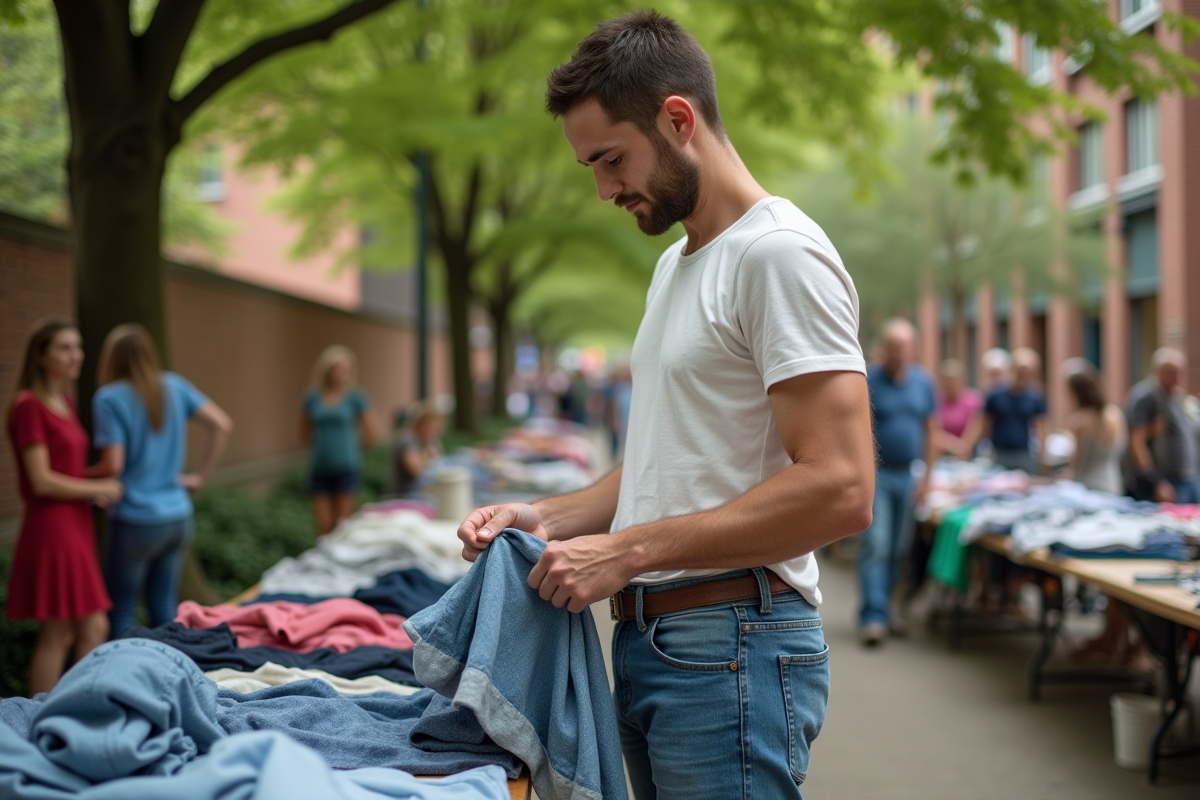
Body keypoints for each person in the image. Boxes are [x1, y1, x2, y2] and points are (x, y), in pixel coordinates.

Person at [457, 12, 874, 798]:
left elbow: (844, 488)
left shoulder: (777, 254)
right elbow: (663, 463)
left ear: (678, 119)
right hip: (663, 644)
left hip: (733, 648)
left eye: (611, 159)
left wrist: (628, 551)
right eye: (590, 165)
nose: (604, 188)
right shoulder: (676, 268)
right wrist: (544, 518)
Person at [93, 324, 233, 638]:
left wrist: (85, 481)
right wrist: (199, 477)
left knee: (123, 609)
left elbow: (112, 464)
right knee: (164, 607)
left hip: (135, 519)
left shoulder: (108, 398)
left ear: (111, 359)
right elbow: (222, 424)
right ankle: (169, 679)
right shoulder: (174, 386)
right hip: (178, 517)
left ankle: (125, 682)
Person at [5, 318, 122, 694]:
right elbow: (40, 479)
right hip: (52, 527)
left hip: (75, 523)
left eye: (78, 347)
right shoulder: (28, 405)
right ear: (40, 356)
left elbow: (64, 470)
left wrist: (93, 483)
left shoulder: (65, 401)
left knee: (90, 628)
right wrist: (95, 486)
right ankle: (41, 715)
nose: (76, 356)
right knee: (61, 631)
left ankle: (75, 706)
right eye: (64, 348)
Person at [859, 320, 937, 646]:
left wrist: (928, 477)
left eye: (904, 346)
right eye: (894, 346)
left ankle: (888, 608)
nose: (899, 352)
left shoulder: (923, 382)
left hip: (909, 474)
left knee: (899, 547)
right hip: (878, 474)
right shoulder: (869, 379)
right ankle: (873, 616)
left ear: (913, 349)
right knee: (876, 544)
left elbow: (932, 430)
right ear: (885, 349)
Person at [301, 346, 377, 534]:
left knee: (342, 524)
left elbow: (371, 432)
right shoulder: (312, 397)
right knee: (323, 524)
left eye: (344, 369)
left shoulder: (355, 397)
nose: (339, 374)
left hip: (346, 467)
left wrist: (350, 450)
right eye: (336, 368)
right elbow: (304, 432)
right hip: (319, 468)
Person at [1124, 347, 1198, 502]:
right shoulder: (1145, 396)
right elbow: (1136, 442)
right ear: (1158, 371)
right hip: (1167, 480)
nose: (1178, 378)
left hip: (1189, 477)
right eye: (1172, 372)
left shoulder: (1177, 398)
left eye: (1180, 372)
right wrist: (1156, 482)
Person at [974, 346, 1047, 473]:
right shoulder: (996, 395)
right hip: (999, 453)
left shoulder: (1035, 397)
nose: (1025, 375)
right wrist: (970, 448)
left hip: (1024, 454)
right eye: (1022, 370)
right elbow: (981, 422)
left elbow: (1043, 426)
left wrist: (1043, 454)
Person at [1062, 362, 1125, 495]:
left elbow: (1076, 461)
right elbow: (1121, 450)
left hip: (1087, 487)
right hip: (1113, 483)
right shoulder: (1115, 414)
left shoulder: (1079, 420)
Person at [391, 404, 445, 497]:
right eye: (434, 428)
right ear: (424, 425)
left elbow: (440, 461)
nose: (437, 432)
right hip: (403, 496)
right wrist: (428, 457)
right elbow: (416, 470)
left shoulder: (425, 440)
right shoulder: (407, 440)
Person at [935, 358, 982, 459]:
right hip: (942, 455)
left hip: (968, 456)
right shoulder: (935, 402)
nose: (948, 384)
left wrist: (965, 447)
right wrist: (953, 446)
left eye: (952, 380)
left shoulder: (973, 400)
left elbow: (978, 425)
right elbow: (933, 431)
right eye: (945, 380)